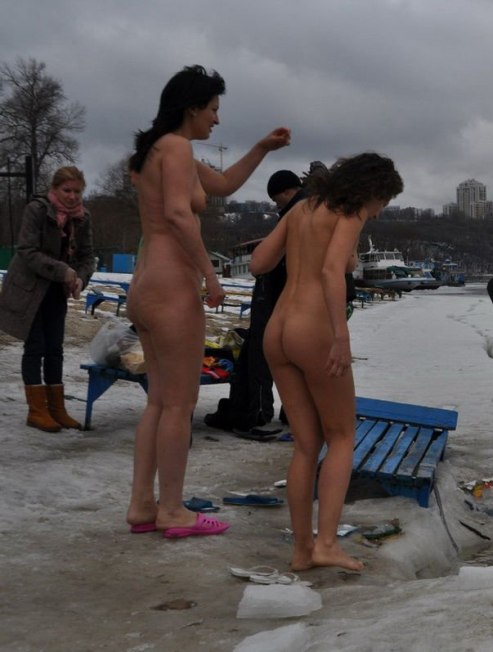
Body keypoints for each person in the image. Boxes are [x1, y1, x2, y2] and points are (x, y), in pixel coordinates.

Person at [125, 65, 290, 538]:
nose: (216, 120)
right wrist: (210, 275)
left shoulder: (158, 150)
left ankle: (142, 504)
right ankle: (173, 510)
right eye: (214, 109)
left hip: (146, 286)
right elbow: (179, 214)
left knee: (159, 403)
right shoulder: (176, 148)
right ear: (192, 107)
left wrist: (261, 148)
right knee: (179, 404)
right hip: (171, 286)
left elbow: (222, 187)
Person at [250, 152, 403, 571]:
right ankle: (327, 544)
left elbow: (258, 262)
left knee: (305, 444)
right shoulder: (349, 211)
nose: (376, 214)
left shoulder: (302, 208)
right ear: (371, 191)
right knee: (341, 437)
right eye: (381, 204)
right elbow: (332, 271)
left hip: (277, 331)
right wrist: (340, 335)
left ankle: (302, 551)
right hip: (313, 330)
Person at [204, 169, 303, 438]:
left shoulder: (297, 212)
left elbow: (263, 263)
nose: (275, 205)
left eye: (276, 199)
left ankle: (258, 414)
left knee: (261, 355)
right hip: (291, 301)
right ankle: (290, 413)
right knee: (285, 360)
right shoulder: (310, 210)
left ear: (286, 192)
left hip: (275, 298)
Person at [0, 166, 96, 432]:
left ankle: (57, 408)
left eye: (77, 191)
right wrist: (63, 270)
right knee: (36, 346)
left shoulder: (83, 217)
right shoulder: (38, 210)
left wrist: (80, 278)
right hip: (28, 289)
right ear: (55, 189)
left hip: (56, 290)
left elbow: (88, 256)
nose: (73, 196)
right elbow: (27, 251)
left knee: (55, 348)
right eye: (67, 190)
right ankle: (37, 410)